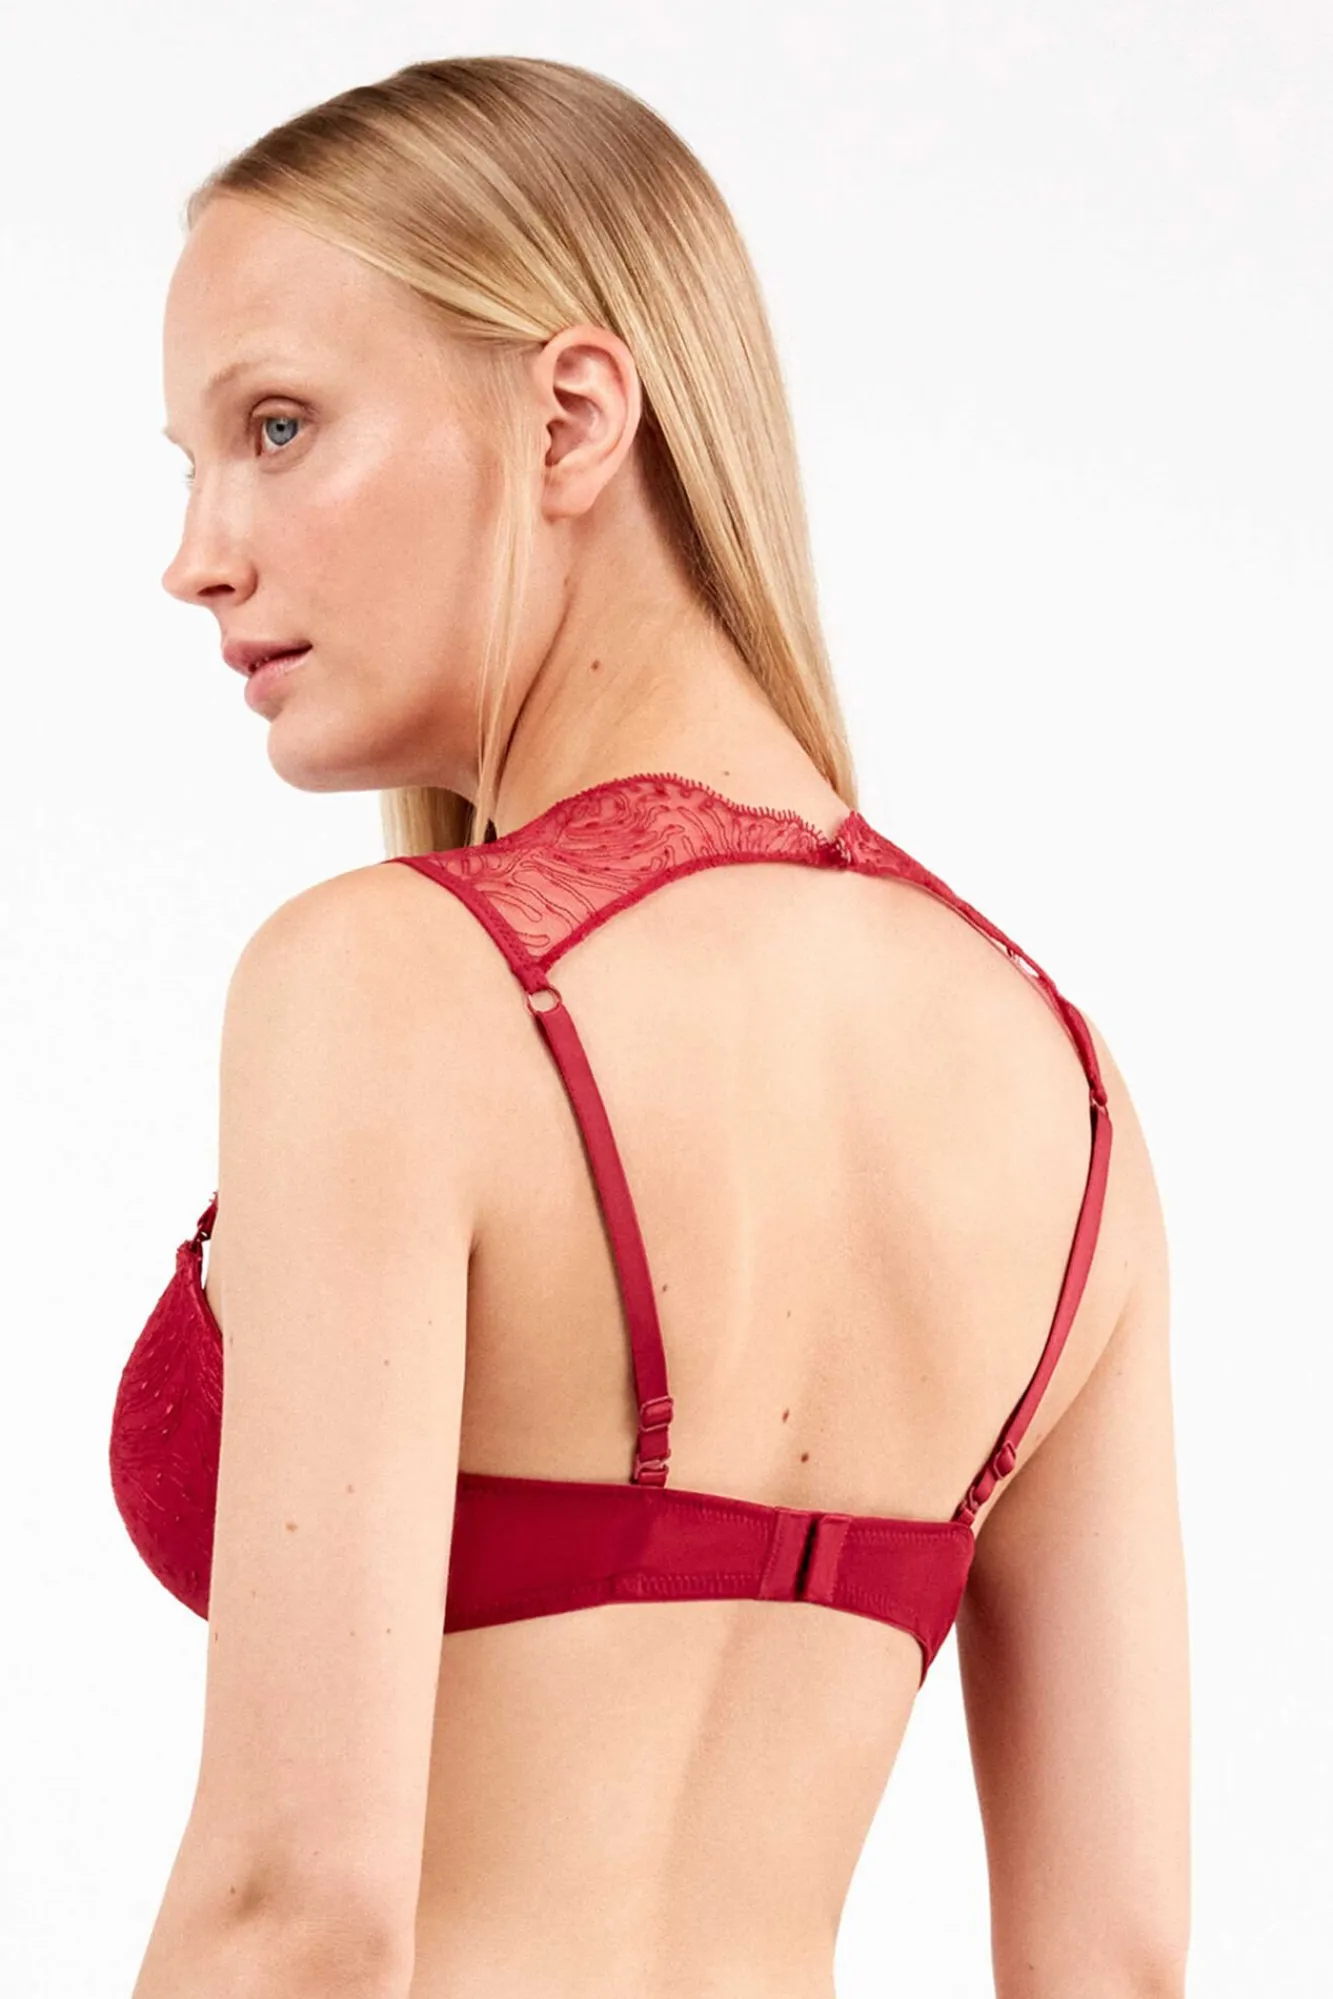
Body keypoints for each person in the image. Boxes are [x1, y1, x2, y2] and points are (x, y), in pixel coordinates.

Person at [118, 54, 1189, 1999]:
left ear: (572, 417)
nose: (199, 550)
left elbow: (297, 1905)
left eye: (276, 427)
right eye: (191, 461)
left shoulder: (397, 988)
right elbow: (1114, 1962)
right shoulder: (1065, 1088)